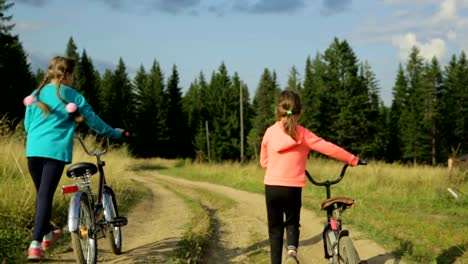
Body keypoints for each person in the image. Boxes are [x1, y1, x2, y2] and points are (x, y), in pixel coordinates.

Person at [23, 56, 123, 261]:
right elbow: (93, 121)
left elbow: (27, 125)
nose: (74, 77)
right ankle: (35, 245)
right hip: (54, 152)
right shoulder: (73, 95)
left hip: (32, 150)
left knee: (43, 195)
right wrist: (114, 133)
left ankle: (47, 235)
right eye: (73, 73)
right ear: (67, 74)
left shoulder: (36, 94)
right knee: (44, 195)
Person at [260, 90, 360, 264]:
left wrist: (277, 166)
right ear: (300, 112)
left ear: (278, 112)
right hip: (293, 189)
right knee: (292, 223)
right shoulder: (304, 134)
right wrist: (352, 159)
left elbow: (264, 162)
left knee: (275, 229)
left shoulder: (270, 132)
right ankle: (291, 253)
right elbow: (328, 148)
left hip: (272, 187)